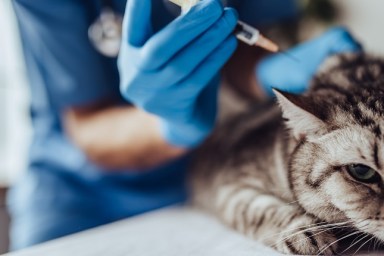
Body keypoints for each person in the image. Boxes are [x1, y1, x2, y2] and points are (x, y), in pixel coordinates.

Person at [8, 0, 361, 250]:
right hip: (81, 196)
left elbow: (242, 45)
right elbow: (86, 124)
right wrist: (170, 127)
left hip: (207, 171)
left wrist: (266, 73)